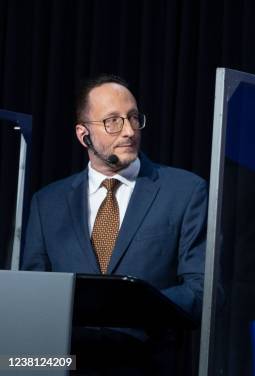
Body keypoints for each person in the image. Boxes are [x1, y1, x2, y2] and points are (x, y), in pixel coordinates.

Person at [21, 75, 207, 374]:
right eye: (113, 121)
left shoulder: (184, 191)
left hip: (147, 365)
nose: (130, 131)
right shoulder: (48, 203)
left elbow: (201, 291)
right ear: (84, 135)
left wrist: (133, 305)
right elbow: (33, 296)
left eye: (133, 117)